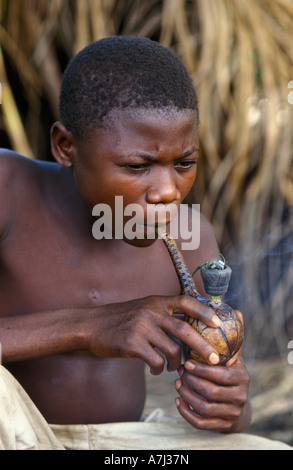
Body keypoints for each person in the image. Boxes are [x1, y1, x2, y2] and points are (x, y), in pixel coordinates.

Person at [0, 36, 289, 451]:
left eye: (184, 164)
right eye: (138, 166)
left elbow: (228, 401)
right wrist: (88, 325)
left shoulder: (192, 238)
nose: (167, 191)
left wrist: (228, 402)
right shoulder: (8, 188)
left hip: (125, 445)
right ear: (66, 147)